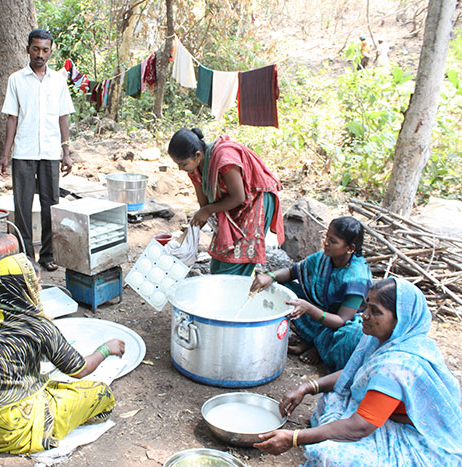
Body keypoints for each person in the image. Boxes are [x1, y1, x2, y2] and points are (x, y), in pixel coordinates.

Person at [255, 278, 462, 466]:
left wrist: (294, 438)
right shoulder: (385, 339)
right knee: (331, 398)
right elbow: (355, 373)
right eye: (367, 306)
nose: (365, 315)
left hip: (414, 434)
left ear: (400, 319)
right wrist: (308, 387)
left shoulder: (397, 366)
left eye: (376, 311)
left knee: (328, 456)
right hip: (380, 414)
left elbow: (360, 427)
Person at [0, 253, 125, 453]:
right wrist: (106, 348)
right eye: (36, 284)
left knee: (44, 382)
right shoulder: (38, 326)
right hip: (7, 427)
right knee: (101, 394)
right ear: (26, 288)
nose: (39, 289)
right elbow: (80, 369)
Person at [250, 216, 372, 370]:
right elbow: (292, 272)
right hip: (318, 313)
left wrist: (309, 309)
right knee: (279, 288)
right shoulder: (323, 258)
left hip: (340, 323)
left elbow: (341, 320)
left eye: (333, 241)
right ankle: (313, 341)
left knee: (351, 335)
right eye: (327, 237)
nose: (326, 243)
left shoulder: (357, 277)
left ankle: (319, 347)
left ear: (350, 248)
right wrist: (270, 276)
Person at [0, 29, 76, 272]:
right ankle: (26, 256)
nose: (40, 54)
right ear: (28, 49)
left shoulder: (58, 80)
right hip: (24, 151)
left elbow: (63, 117)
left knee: (50, 204)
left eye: (45, 50)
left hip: (51, 152)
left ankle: (47, 254)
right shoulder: (16, 80)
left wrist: (66, 151)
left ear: (50, 52)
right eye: (36, 49)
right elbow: (12, 118)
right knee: (22, 206)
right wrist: (6, 154)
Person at [168, 128, 284, 276]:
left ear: (197, 155)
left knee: (234, 265)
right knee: (218, 264)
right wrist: (182, 239)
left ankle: (243, 286)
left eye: (183, 164)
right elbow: (204, 209)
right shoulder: (194, 170)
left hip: (254, 200)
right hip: (230, 205)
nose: (180, 168)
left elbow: (238, 197)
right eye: (177, 164)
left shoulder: (224, 157)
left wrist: (207, 210)